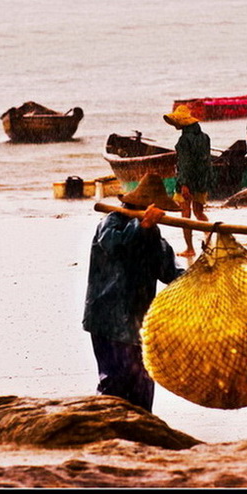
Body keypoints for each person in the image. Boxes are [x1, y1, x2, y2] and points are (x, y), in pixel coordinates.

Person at [82, 173, 183, 412]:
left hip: (137, 321)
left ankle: (141, 429)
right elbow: (114, 246)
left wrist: (203, 273)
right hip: (108, 318)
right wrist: (142, 224)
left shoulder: (154, 236)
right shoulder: (112, 222)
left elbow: (170, 272)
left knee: (142, 383)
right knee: (114, 381)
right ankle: (107, 430)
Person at [163, 104, 213, 257]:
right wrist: (205, 181)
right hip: (202, 180)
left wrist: (184, 184)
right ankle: (211, 240)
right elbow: (205, 161)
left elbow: (185, 164)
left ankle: (190, 248)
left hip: (188, 181)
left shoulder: (184, 140)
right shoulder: (204, 137)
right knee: (199, 212)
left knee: (185, 215)